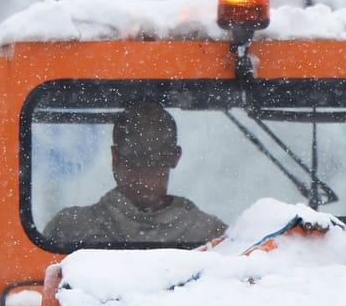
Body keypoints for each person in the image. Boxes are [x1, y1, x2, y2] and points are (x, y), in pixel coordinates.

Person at [45, 103, 226, 249]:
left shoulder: (70, 229)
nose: (145, 175)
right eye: (136, 159)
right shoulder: (210, 235)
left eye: (155, 160)